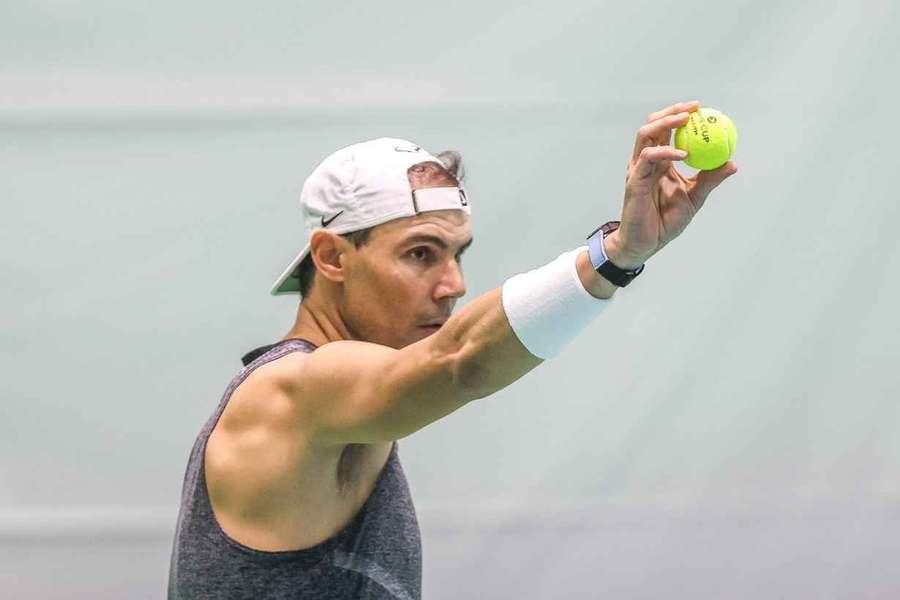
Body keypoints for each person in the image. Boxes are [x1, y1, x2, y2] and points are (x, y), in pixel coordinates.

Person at [168, 100, 738, 599]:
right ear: (333, 258)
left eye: (457, 254)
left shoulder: (346, 405)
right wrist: (616, 253)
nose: (453, 285)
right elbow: (459, 362)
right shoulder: (292, 391)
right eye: (420, 254)